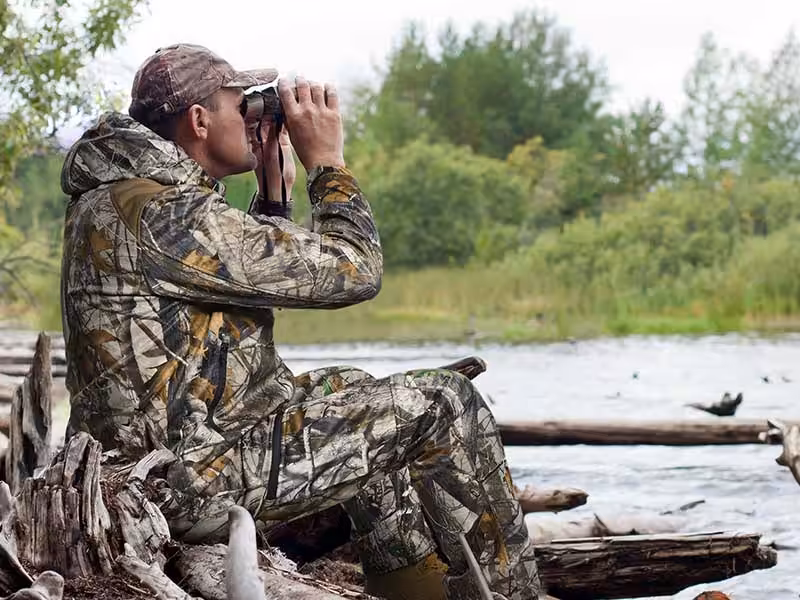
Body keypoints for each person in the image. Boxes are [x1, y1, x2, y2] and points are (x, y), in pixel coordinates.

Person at [59, 43, 541, 600]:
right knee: (443, 402)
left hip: (167, 460)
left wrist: (273, 201)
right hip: (178, 486)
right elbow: (353, 270)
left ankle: (415, 589)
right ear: (198, 120)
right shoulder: (165, 212)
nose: (258, 119)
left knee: (350, 389)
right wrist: (327, 165)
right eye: (242, 106)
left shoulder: (126, 199)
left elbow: (222, 320)